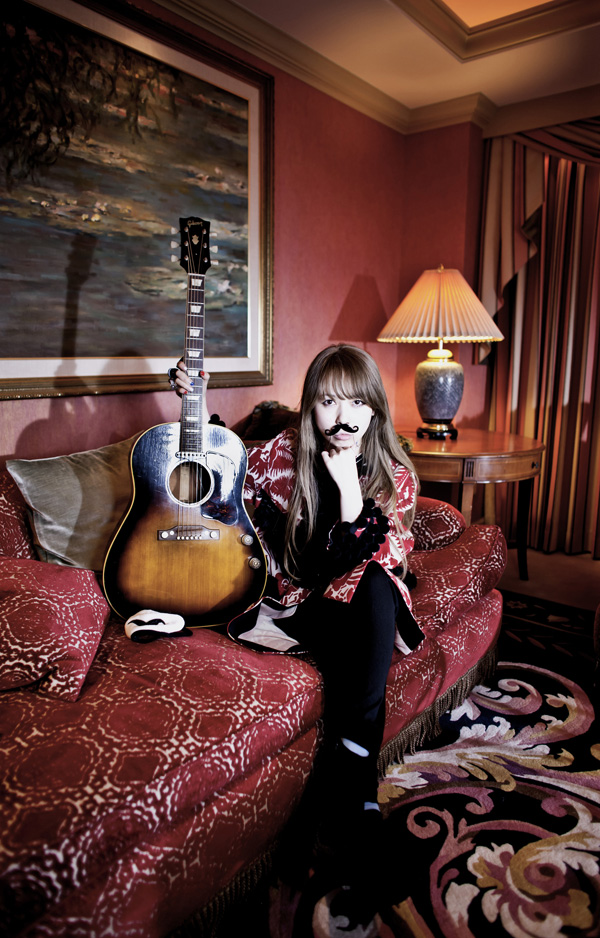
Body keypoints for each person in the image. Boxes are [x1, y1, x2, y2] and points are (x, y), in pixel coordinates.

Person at [171, 344, 423, 916]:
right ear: (309, 407)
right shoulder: (282, 454)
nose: (342, 417)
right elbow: (219, 476)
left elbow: (371, 561)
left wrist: (351, 491)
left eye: (356, 403)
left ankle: (343, 802)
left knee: (374, 583)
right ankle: (358, 808)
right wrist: (196, 402)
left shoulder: (395, 475)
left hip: (360, 602)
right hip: (297, 604)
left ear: (375, 410)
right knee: (360, 623)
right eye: (328, 402)